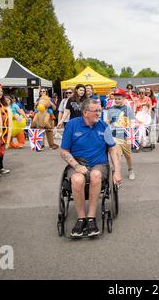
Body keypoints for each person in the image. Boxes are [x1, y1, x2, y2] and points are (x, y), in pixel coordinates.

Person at [61, 99, 121, 237]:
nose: (99, 114)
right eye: (96, 111)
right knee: (77, 179)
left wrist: (117, 172)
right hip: (78, 162)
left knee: (95, 175)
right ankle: (81, 218)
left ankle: (91, 218)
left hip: (99, 163)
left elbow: (112, 150)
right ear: (85, 112)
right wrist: (76, 165)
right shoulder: (72, 125)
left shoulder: (103, 126)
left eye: (100, 110)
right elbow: (64, 151)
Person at [106, 88, 137, 180]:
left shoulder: (128, 109)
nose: (117, 100)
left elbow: (133, 122)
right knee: (117, 155)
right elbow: (108, 122)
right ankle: (117, 172)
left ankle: (130, 170)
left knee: (128, 156)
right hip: (115, 136)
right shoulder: (111, 109)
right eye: (115, 99)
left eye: (119, 98)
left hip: (125, 136)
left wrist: (131, 132)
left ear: (124, 98)